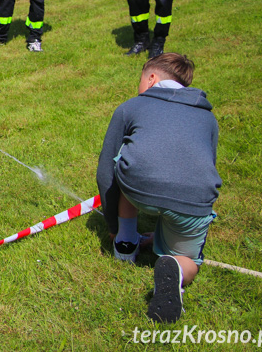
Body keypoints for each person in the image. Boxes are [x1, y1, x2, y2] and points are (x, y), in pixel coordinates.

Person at [96, 53, 221, 324]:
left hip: (140, 188)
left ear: (151, 79)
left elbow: (106, 170)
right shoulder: (208, 118)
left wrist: (112, 224)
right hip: (195, 197)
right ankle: (176, 269)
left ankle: (125, 244)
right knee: (188, 260)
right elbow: (206, 163)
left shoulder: (131, 107)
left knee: (127, 163)